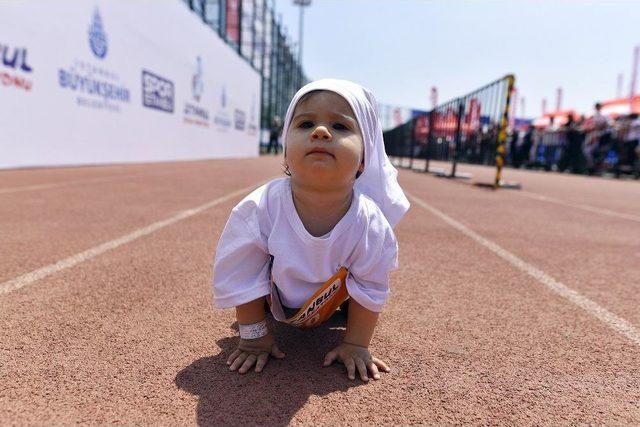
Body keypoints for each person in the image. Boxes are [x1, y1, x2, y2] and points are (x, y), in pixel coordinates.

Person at [212, 79, 410, 382]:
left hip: (334, 295)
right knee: (257, 296)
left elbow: (371, 284)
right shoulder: (261, 208)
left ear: (364, 160)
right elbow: (243, 272)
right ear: (285, 152)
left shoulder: (370, 223)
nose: (321, 132)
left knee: (352, 301)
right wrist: (252, 336)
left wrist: (357, 344)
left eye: (341, 127)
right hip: (275, 292)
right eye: (305, 124)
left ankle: (342, 311)